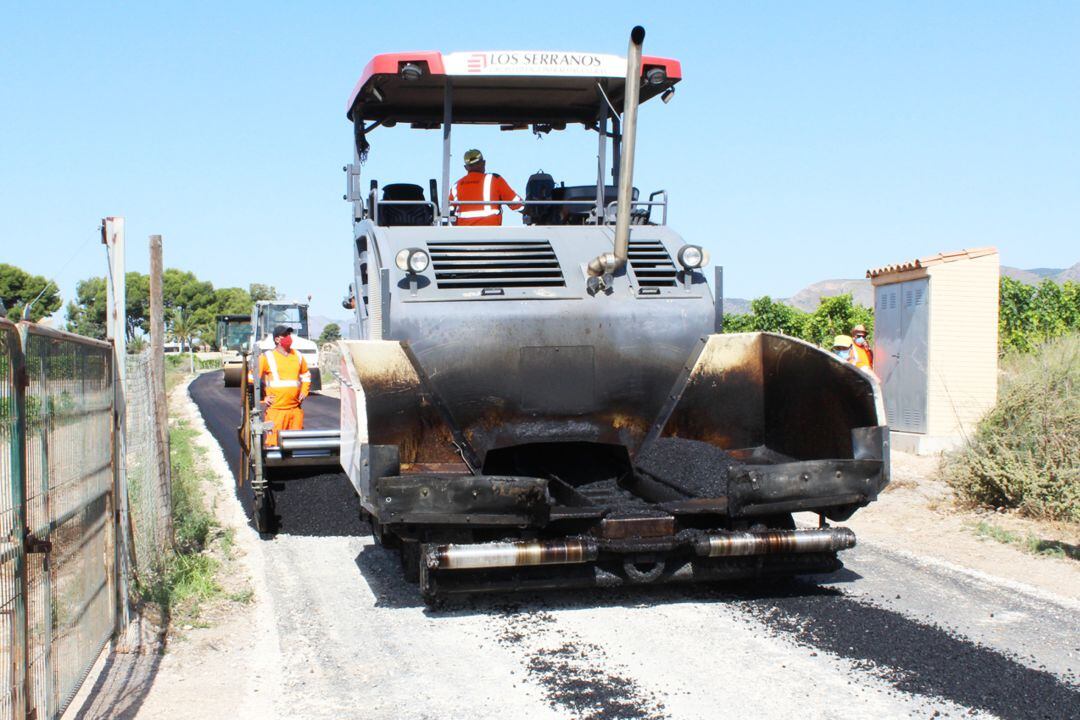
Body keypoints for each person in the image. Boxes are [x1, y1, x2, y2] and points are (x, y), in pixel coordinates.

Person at [258, 325, 311, 446]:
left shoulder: (297, 355)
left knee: (295, 445)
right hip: (276, 411)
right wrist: (263, 398)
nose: (289, 338)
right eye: (286, 335)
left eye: (289, 335)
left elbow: (306, 375)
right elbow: (251, 379)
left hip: (295, 410)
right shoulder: (267, 357)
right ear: (277, 339)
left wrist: (304, 390)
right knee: (274, 445)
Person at [449, 149, 523, 226]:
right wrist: (530, 210)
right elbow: (516, 204)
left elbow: (449, 212)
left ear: (466, 167)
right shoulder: (495, 179)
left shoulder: (456, 186)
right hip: (490, 234)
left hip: (463, 235)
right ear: (484, 163)